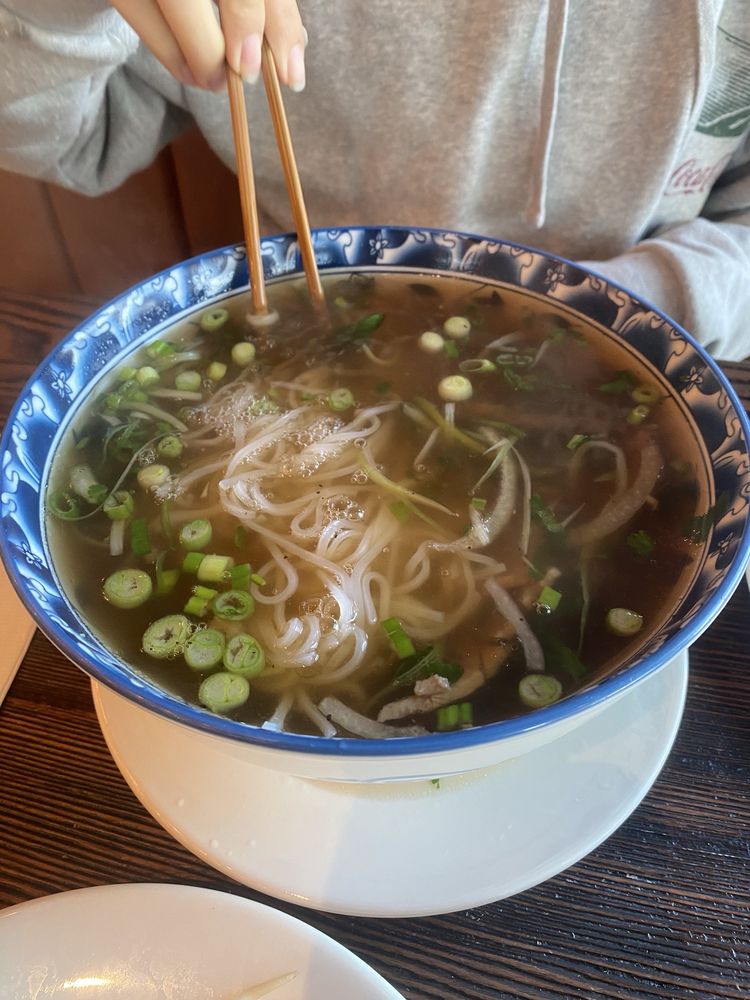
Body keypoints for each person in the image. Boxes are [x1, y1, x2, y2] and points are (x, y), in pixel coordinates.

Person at [1, 1, 749, 359]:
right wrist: (57, 9)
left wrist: (619, 313)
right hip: (290, 332)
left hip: (636, 347)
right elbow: (68, 140)